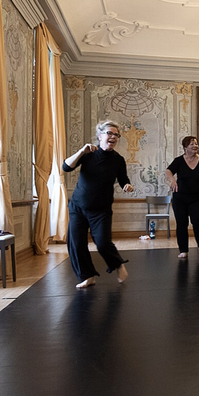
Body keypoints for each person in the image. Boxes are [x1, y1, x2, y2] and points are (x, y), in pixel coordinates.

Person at [63, 120, 134, 289]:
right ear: (99, 135)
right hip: (78, 207)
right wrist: (81, 151)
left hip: (101, 209)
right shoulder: (88, 154)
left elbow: (123, 179)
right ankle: (87, 276)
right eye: (109, 133)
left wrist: (127, 185)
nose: (113, 137)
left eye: (116, 135)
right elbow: (66, 167)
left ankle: (117, 264)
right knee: (76, 243)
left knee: (102, 242)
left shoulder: (118, 159)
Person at [166, 136, 199, 259]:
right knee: (181, 224)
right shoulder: (179, 161)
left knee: (197, 221)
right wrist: (172, 180)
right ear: (185, 147)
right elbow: (168, 171)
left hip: (196, 198)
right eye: (192, 144)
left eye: (196, 144)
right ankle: (183, 250)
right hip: (180, 198)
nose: (195, 146)